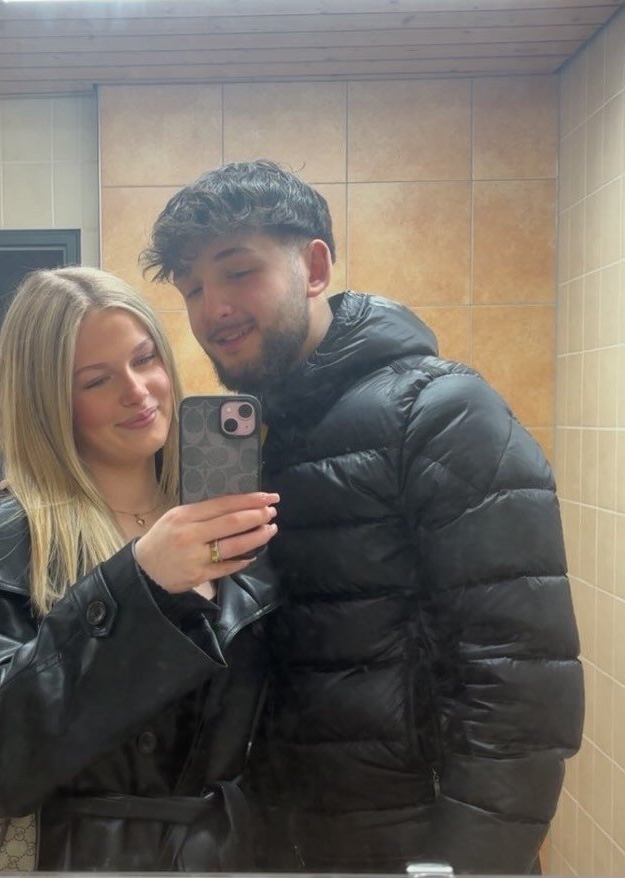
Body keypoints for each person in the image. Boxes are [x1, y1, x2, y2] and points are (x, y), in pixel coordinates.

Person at [141, 160, 584, 874]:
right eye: (191, 288)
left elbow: (521, 691)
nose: (212, 308)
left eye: (238, 272)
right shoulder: (253, 436)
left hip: (411, 849)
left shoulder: (441, 415)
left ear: (315, 268)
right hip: (275, 840)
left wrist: (462, 866)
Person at [0, 266, 281, 871]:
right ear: (49, 404)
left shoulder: (228, 514)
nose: (139, 391)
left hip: (236, 857)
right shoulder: (11, 534)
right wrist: (137, 582)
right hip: (86, 861)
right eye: (97, 381)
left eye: (145, 359)